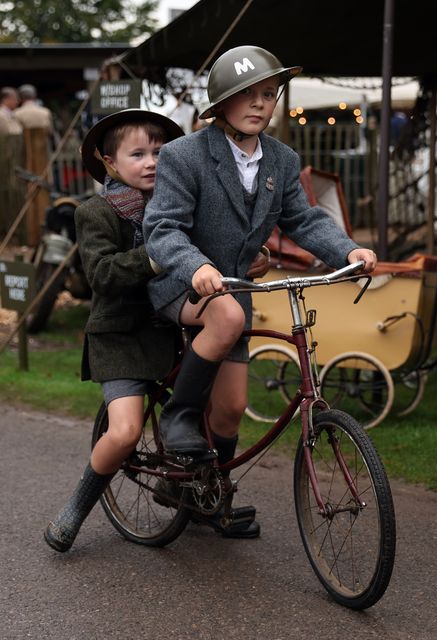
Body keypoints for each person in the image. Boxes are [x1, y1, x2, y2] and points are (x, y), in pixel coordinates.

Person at [142, 45, 377, 538]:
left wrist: (348, 252)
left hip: (235, 288)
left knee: (230, 408)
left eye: (268, 95)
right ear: (221, 103)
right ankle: (179, 417)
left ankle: (212, 496)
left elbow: (303, 219)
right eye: (245, 95)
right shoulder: (185, 155)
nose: (259, 104)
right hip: (183, 284)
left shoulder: (282, 159)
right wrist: (196, 265)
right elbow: (162, 228)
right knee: (225, 317)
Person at [43, 109, 270, 552]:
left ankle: (205, 495)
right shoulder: (96, 211)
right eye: (137, 154)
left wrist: (252, 257)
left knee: (217, 408)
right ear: (109, 163)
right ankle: (77, 505)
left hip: (169, 331)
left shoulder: (182, 202)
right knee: (125, 433)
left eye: (160, 152)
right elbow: (102, 275)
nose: (151, 162)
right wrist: (161, 253)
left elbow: (215, 248)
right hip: (123, 337)